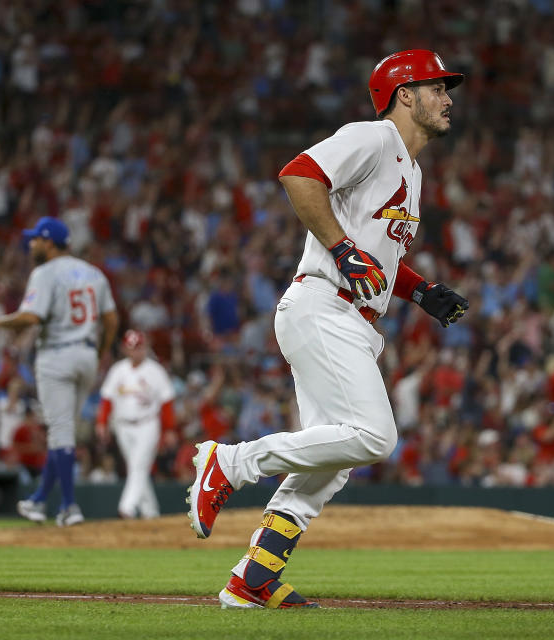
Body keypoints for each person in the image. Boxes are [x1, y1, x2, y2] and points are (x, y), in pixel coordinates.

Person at [186, 50, 469, 609]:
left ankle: (253, 578)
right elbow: (298, 174)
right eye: (437, 87)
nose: (448, 97)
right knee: (374, 436)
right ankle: (232, 463)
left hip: (352, 316)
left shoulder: (410, 169)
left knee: (331, 462)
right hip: (324, 305)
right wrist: (341, 248)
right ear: (404, 94)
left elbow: (377, 256)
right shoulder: (375, 137)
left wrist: (421, 291)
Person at [0, 216, 118, 526]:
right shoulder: (94, 273)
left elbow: (31, 318)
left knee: (60, 433)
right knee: (61, 432)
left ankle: (69, 506)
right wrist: (98, 354)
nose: (31, 243)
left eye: (35, 239)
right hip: (87, 357)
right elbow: (112, 321)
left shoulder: (45, 272)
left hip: (57, 357)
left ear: (49, 242)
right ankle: (38, 500)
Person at [96, 330, 175, 519]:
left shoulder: (155, 371)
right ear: (125, 349)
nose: (136, 352)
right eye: (132, 348)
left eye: (139, 348)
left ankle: (127, 508)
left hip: (147, 424)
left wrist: (169, 429)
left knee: (138, 465)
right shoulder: (118, 370)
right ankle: (151, 512)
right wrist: (101, 422)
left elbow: (167, 402)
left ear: (145, 348)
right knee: (136, 468)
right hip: (122, 426)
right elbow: (107, 399)